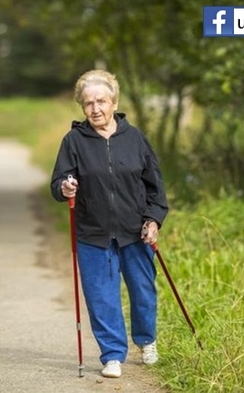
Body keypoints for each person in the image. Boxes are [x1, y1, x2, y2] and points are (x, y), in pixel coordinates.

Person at [50, 69, 169, 378]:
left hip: (135, 232)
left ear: (114, 102)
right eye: (88, 103)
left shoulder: (135, 139)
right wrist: (65, 186)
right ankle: (112, 354)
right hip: (93, 233)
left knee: (143, 291)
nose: (95, 109)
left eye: (101, 101)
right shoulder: (74, 141)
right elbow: (58, 183)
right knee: (102, 296)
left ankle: (147, 341)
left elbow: (156, 187)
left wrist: (154, 219)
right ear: (82, 106)